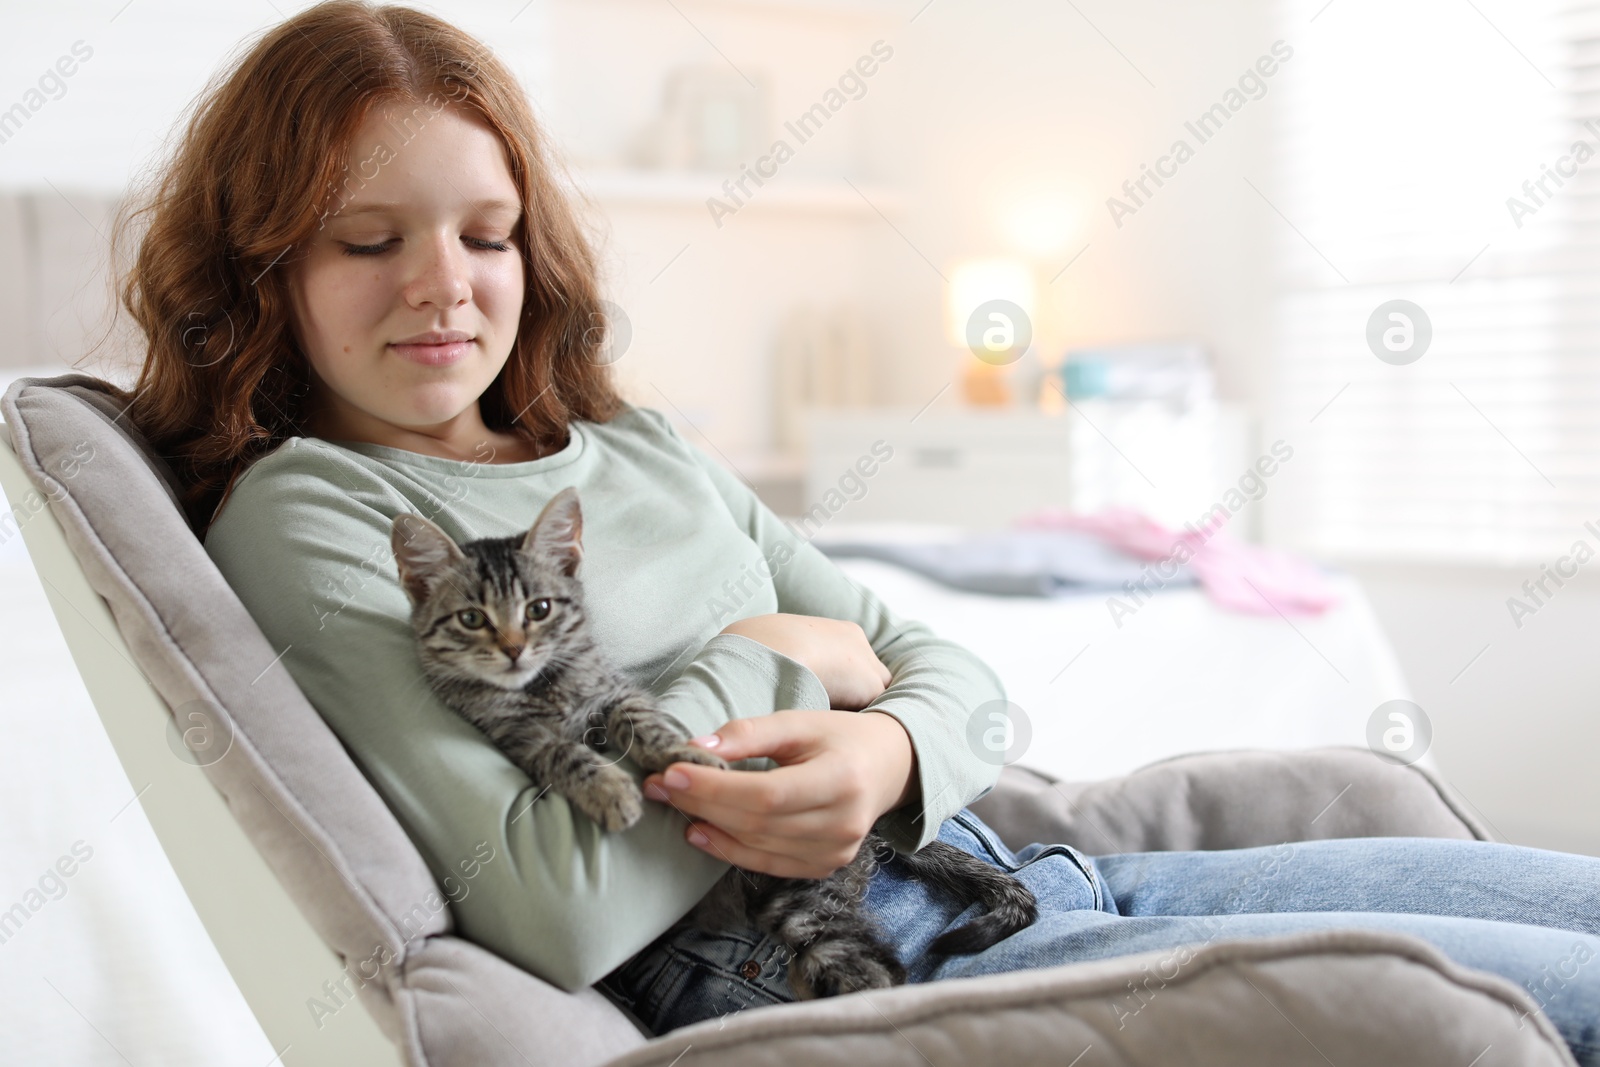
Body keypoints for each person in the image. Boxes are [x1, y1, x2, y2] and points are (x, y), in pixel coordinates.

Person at [105, 3, 1599, 1061]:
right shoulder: (323, 511)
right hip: (875, 966)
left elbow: (945, 670)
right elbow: (554, 908)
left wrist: (884, 748)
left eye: (486, 235)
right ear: (264, 272)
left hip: (1015, 864)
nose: (444, 284)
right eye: (370, 241)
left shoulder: (637, 449)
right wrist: (771, 659)